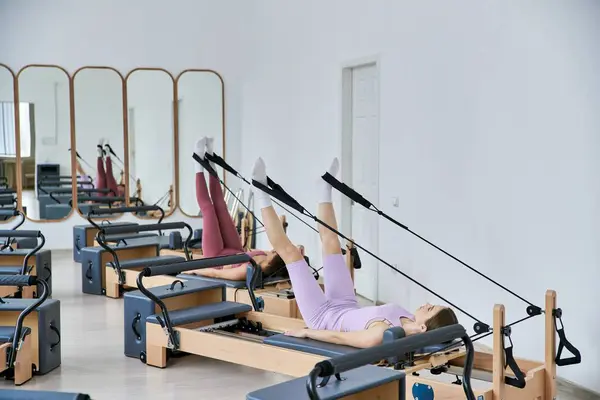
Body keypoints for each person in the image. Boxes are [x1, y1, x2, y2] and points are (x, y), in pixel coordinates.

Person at [251, 156, 459, 348]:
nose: (427, 304)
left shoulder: (385, 334)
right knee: (332, 242)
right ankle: (324, 188)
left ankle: (260, 192)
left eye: (430, 309)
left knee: (291, 254)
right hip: (347, 304)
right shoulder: (409, 317)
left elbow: (341, 338)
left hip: (323, 318)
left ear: (423, 328)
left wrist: (307, 333)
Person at [188, 137, 302, 280]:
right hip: (236, 249)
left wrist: (191, 269)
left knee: (208, 209)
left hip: (215, 256)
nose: (273, 250)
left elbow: (216, 273)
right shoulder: (266, 256)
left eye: (275, 253)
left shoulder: (249, 269)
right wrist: (299, 251)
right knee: (221, 206)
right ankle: (210, 159)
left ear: (273, 262)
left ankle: (197, 163)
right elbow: (290, 254)